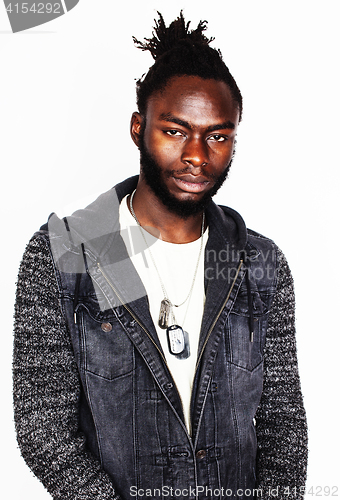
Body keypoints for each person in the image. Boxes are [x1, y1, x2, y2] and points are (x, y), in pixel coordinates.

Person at [13, 12, 308, 500]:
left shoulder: (258, 263)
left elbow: (283, 425)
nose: (197, 154)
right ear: (138, 128)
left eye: (218, 135)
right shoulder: (71, 252)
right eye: (175, 131)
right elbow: (44, 429)